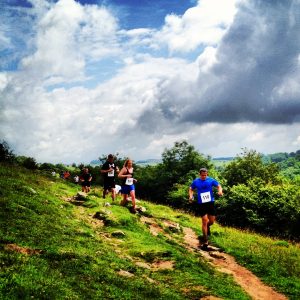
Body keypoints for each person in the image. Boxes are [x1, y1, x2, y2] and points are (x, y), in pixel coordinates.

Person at [189, 168, 223, 250]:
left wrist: (220, 191)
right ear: (199, 174)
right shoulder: (196, 181)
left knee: (211, 221)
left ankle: (207, 227)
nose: (204, 176)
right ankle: (205, 240)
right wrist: (190, 196)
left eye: (205, 175)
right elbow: (191, 188)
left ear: (207, 174)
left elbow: (218, 185)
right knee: (204, 220)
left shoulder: (211, 180)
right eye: (202, 175)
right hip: (201, 203)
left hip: (210, 202)